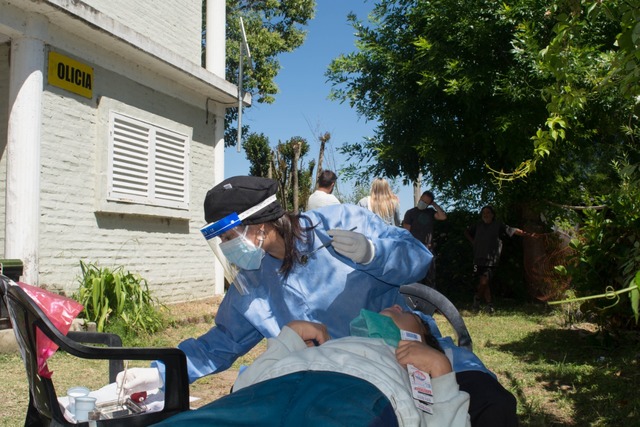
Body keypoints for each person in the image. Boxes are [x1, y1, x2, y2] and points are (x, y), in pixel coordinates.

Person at [119, 177, 516, 426]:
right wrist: (159, 373)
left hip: (401, 356)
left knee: (491, 407)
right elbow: (218, 344)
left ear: (259, 227)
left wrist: (373, 254)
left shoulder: (340, 223)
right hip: (320, 380)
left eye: (229, 238)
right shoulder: (254, 283)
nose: (228, 249)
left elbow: (418, 258)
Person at [150, 305, 473, 426]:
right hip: (265, 391)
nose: (394, 305)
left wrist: (442, 373)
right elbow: (249, 383)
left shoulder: (414, 367)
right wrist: (289, 338)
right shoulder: (336, 344)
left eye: (409, 314)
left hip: (361, 396)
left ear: (416, 337)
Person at [464, 205, 531, 313]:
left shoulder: (498, 224)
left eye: (488, 212)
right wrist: (473, 242)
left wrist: (524, 233)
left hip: (491, 258)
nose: (485, 215)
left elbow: (511, 230)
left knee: (484, 281)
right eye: (483, 213)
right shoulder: (477, 225)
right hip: (478, 257)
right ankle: (489, 305)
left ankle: (477, 299)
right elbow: (466, 232)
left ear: (493, 214)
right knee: (484, 282)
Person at [402, 191, 447, 287]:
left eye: (426, 202)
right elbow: (406, 233)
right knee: (416, 279)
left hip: (428, 249)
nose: (422, 203)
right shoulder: (410, 213)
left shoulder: (430, 212)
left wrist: (434, 205)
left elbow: (443, 217)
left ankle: (430, 300)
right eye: (422, 200)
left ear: (429, 203)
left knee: (431, 279)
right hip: (414, 250)